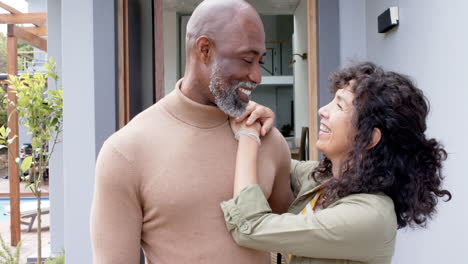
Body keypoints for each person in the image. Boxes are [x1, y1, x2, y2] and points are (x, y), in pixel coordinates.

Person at [90, 0, 293, 263]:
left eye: (260, 61)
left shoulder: (267, 139)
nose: (256, 76)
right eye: (246, 60)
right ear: (204, 49)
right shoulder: (126, 151)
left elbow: (295, 239)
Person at [221, 62, 452, 264]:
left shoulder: (370, 216)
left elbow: (249, 227)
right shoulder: (325, 179)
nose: (323, 110)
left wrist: (249, 137)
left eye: (339, 106)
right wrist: (257, 122)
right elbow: (277, 163)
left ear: (370, 138)